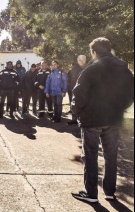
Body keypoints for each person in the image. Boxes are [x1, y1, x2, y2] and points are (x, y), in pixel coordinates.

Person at [71, 37, 134, 203]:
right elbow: (131, 94)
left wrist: (78, 113)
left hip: (91, 119)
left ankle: (91, 194)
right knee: (111, 156)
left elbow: (78, 95)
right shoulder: (124, 70)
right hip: (113, 119)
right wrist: (120, 109)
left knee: (90, 156)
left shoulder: (91, 70)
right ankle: (109, 192)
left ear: (94, 52)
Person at [67, 55, 86, 125]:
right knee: (73, 104)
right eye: (79, 60)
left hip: (83, 91)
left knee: (82, 105)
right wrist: (69, 87)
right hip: (73, 90)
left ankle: (82, 120)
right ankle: (74, 119)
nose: (81, 61)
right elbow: (69, 79)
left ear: (85, 60)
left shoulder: (88, 68)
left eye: (82, 60)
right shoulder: (74, 69)